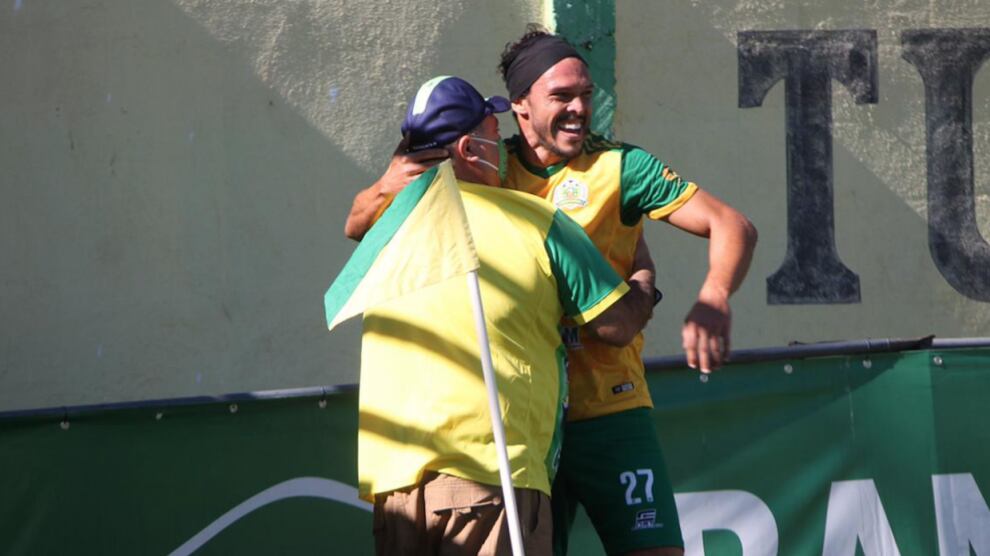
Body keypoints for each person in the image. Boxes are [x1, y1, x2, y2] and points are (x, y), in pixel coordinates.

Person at [345, 30, 758, 556]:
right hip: (525, 427)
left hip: (610, 407)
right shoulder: (484, 163)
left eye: (585, 94)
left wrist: (714, 296)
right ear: (520, 104)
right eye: (562, 96)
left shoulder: (620, 167)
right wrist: (386, 183)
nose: (580, 108)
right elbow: (360, 224)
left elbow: (732, 225)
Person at [348, 75, 651, 556]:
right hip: (491, 477)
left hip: (395, 488)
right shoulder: (536, 220)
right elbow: (616, 325)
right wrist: (642, 276)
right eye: (494, 135)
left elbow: (354, 221)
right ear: (469, 149)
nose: (505, 150)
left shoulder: (385, 229)